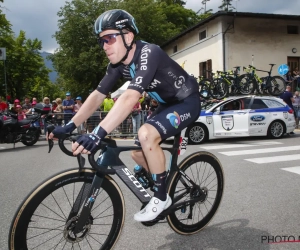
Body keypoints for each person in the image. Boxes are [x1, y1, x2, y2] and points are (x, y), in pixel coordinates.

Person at [49, 9, 200, 222]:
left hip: (187, 101)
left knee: (146, 134)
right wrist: (70, 126)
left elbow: (130, 98)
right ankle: (164, 183)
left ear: (128, 36)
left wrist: (97, 134)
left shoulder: (150, 52)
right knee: (138, 152)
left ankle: (161, 197)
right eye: (101, 41)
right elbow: (97, 96)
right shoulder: (118, 66)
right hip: (166, 105)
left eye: (109, 38)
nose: (104, 46)